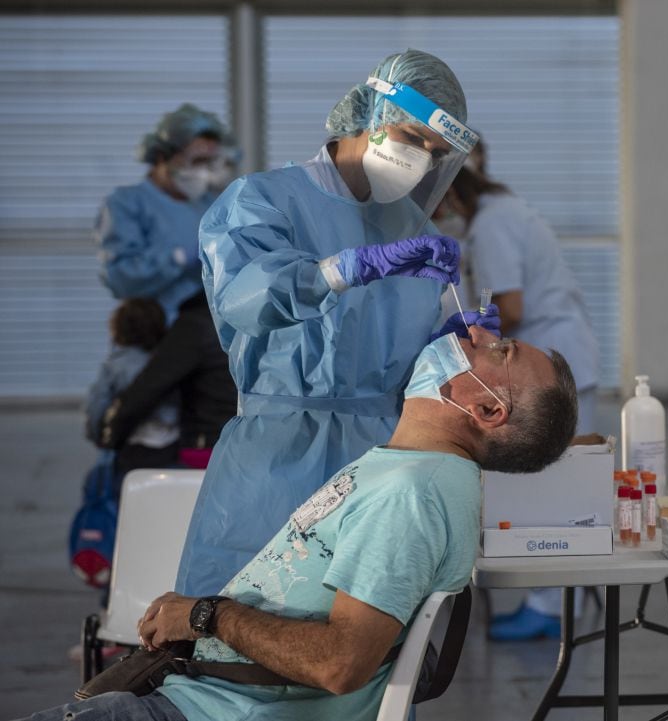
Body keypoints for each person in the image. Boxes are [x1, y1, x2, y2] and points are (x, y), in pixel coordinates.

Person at [20, 325, 578, 721]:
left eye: (496, 349)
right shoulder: (410, 469)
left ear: (485, 411)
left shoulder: (411, 493)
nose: (477, 333)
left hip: (218, 712)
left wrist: (206, 615)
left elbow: (341, 663)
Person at [177, 49, 498, 597]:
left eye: (436, 151)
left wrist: (449, 347)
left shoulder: (409, 227)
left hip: (383, 462)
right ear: (369, 113)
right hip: (279, 456)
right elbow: (245, 299)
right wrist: (339, 270)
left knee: (357, 634)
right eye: (411, 136)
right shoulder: (262, 200)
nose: (420, 158)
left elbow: (409, 356)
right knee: (245, 621)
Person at [436, 161, 600, 640]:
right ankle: (552, 600)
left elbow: (510, 308)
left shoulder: (490, 224)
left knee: (559, 479)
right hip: (557, 352)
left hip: (548, 359)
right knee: (560, 473)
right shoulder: (503, 210)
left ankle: (550, 607)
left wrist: (467, 339)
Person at [94, 104, 227, 322]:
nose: (204, 171)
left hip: (203, 332)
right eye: (196, 161)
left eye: (210, 162)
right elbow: (119, 279)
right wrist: (178, 258)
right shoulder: (127, 204)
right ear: (160, 158)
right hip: (150, 332)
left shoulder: (213, 205)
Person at [98, 290, 236, 471]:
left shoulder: (195, 324)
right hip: (243, 443)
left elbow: (149, 387)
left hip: (207, 445)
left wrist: (110, 434)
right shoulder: (240, 316)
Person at [85, 298, 179, 486]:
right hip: (170, 443)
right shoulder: (169, 361)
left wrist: (98, 434)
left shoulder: (115, 365)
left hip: (132, 446)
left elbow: (97, 403)